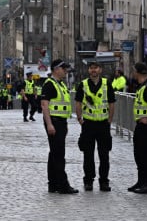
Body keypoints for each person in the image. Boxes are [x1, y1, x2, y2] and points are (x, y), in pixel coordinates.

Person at [75, 60, 115, 192]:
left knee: (104, 155)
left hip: (103, 124)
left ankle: (104, 181)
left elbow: (111, 103)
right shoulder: (83, 85)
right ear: (88, 70)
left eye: (96, 68)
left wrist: (110, 120)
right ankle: (88, 181)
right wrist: (80, 119)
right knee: (88, 155)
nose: (93, 70)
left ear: (100, 70)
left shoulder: (106, 84)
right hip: (88, 124)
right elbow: (78, 102)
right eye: (91, 68)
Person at [41, 59, 78, 194]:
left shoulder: (60, 84)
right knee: (59, 155)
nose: (65, 71)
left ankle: (53, 184)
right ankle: (63, 185)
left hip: (61, 122)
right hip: (54, 122)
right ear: (56, 69)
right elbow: (44, 105)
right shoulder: (49, 84)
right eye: (63, 69)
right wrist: (49, 124)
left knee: (54, 154)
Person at [128, 62, 147, 194]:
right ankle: (141, 181)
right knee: (139, 154)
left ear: (139, 73)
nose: (133, 73)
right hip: (140, 125)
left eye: (134, 71)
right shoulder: (141, 87)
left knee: (146, 155)